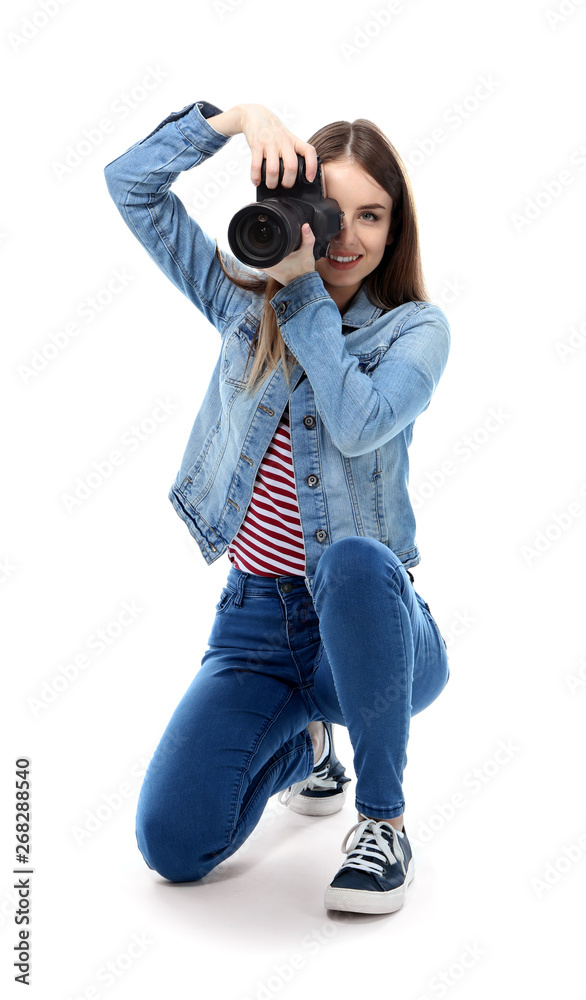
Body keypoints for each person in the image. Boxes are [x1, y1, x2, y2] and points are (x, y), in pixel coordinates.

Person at [103, 99, 451, 915]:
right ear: (292, 208)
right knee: (174, 848)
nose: (346, 236)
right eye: (329, 209)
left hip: (375, 634)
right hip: (256, 625)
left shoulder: (415, 331)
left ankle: (382, 820)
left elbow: (359, 422)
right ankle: (309, 748)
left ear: (395, 230)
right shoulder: (239, 305)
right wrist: (233, 121)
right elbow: (131, 188)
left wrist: (300, 297)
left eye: (372, 214)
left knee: (351, 559)